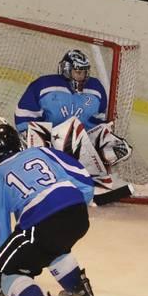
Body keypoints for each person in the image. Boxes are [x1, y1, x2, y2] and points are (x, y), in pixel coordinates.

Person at [0, 124, 97, 296]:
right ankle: (78, 287)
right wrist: (75, 203)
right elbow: (83, 179)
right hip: (77, 214)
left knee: (8, 267)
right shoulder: (42, 151)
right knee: (48, 246)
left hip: (41, 222)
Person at [14, 49, 133, 204]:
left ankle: (94, 169)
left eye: (84, 72)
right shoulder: (44, 85)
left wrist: (103, 137)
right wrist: (34, 141)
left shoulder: (95, 89)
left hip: (78, 142)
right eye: (77, 72)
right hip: (51, 142)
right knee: (72, 129)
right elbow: (25, 117)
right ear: (66, 70)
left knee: (118, 146)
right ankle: (87, 181)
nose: (82, 76)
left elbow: (98, 121)